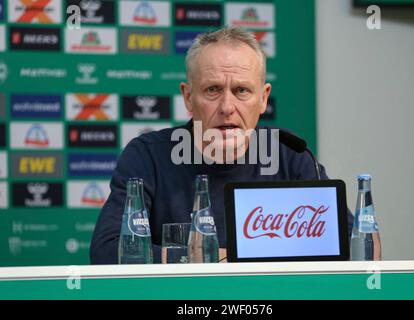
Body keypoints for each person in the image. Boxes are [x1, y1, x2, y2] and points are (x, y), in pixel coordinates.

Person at [90, 27, 353, 264]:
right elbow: (107, 251)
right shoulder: (147, 156)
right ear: (188, 97)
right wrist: (210, 257)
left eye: (241, 91)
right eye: (213, 90)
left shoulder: (291, 156)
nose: (227, 108)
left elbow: (353, 247)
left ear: (263, 99)